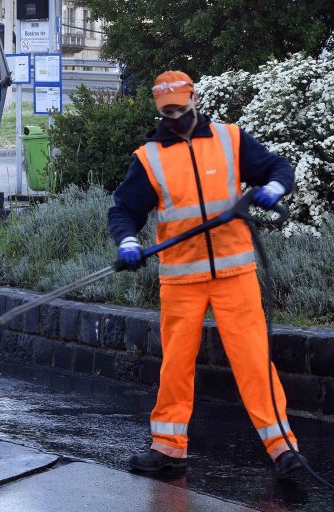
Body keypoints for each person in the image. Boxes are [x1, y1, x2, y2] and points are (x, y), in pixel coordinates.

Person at [108, 70, 307, 478]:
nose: (174, 117)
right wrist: (127, 242)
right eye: (167, 111)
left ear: (194, 99)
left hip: (235, 275)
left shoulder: (230, 141)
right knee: (176, 366)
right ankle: (168, 450)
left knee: (254, 362)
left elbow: (279, 168)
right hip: (182, 279)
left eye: (180, 108)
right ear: (158, 109)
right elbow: (124, 210)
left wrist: (272, 188)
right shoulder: (150, 157)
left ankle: (283, 450)